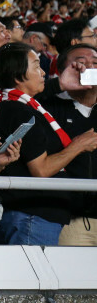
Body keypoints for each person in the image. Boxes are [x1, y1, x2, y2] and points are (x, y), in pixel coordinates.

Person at [0, 43, 97, 245]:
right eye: (36, 66)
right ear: (18, 74)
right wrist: (79, 145)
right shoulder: (19, 110)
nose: (42, 72)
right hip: (33, 216)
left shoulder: (25, 106)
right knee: (33, 277)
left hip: (37, 216)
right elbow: (41, 170)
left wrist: (60, 84)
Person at [42, 44, 97, 245]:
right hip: (70, 221)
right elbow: (15, 105)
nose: (90, 68)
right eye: (81, 63)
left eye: (95, 63)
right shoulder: (48, 106)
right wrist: (58, 85)